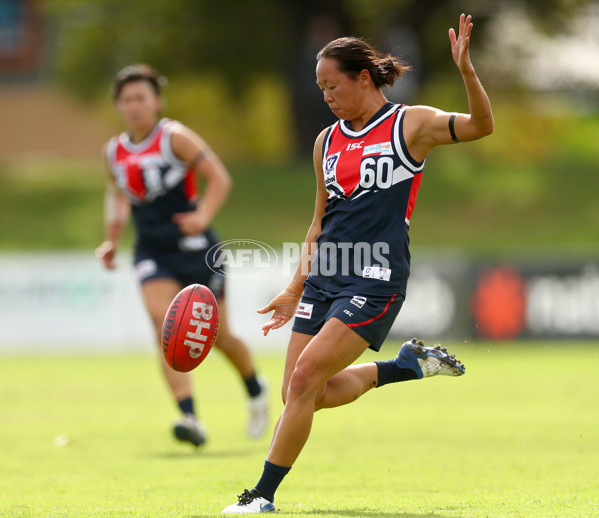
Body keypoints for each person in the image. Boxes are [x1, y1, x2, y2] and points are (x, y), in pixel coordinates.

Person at [221, 13, 492, 513]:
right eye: (319, 87)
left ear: (363, 77)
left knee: (304, 380)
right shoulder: (327, 141)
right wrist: (294, 287)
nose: (325, 95)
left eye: (332, 84)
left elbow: (481, 126)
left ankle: (261, 496)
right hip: (326, 276)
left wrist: (467, 73)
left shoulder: (410, 124)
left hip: (376, 275)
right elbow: (318, 223)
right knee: (301, 394)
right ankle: (403, 367)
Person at [95, 64, 269, 447]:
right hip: (152, 251)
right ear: (119, 106)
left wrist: (203, 215)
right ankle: (190, 418)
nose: (134, 105)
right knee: (166, 326)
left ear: (156, 101)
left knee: (220, 336)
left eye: (141, 97)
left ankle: (256, 389)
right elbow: (118, 196)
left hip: (197, 249)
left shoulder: (174, 137)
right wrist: (111, 239)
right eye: (127, 100)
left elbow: (219, 177)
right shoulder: (114, 151)